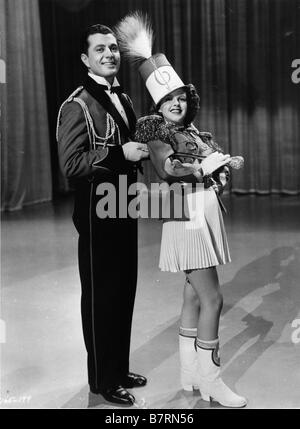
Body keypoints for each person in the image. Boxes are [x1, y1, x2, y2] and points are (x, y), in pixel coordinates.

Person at [135, 83, 247, 408]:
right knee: (213, 299)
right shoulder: (156, 131)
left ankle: (191, 376)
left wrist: (221, 169)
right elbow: (169, 168)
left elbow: (213, 171)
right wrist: (203, 169)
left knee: (194, 296)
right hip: (187, 217)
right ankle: (213, 382)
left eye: (181, 97)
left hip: (200, 212)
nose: (176, 102)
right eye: (168, 98)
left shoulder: (194, 132)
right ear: (157, 103)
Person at [56, 24, 149, 406]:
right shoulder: (77, 105)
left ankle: (118, 366)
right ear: (86, 59)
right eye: (100, 50)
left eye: (113, 48)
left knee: (124, 289)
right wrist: (118, 155)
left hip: (124, 204)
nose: (110, 54)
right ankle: (102, 380)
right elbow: (71, 164)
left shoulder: (123, 98)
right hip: (96, 213)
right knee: (102, 296)